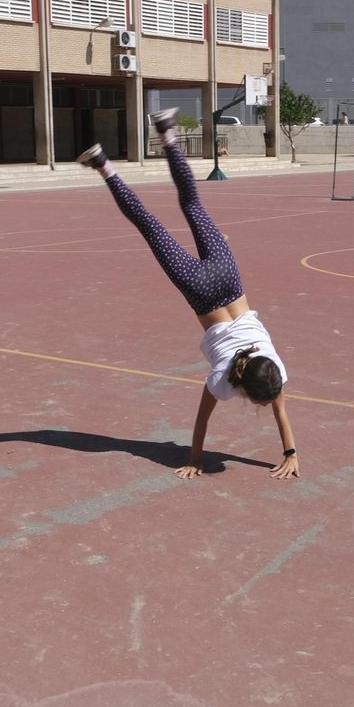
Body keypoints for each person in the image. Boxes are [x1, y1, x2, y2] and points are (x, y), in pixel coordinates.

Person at [77, 109, 300, 480]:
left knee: (192, 203)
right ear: (244, 387)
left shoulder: (271, 366)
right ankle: (102, 165)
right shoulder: (225, 380)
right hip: (200, 290)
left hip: (229, 276)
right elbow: (204, 418)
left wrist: (292, 451)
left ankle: (166, 131)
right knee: (149, 225)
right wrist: (195, 459)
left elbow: (279, 407)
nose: (266, 405)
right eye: (259, 401)